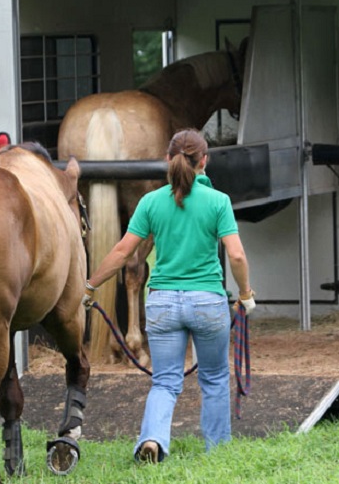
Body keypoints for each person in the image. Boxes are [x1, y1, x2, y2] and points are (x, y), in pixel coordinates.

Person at [83, 128, 256, 463]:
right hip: (207, 302)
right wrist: (245, 294)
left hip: (162, 302)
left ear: (167, 160)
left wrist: (90, 285)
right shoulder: (218, 201)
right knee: (215, 378)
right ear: (204, 161)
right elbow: (236, 255)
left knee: (164, 382)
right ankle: (217, 451)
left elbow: (122, 252)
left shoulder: (151, 202)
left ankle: (152, 439)